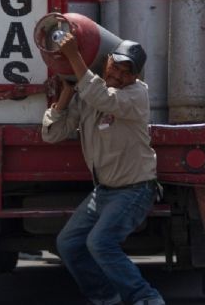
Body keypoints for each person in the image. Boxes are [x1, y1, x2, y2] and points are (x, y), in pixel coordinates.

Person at [41, 34, 165, 305]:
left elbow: (103, 98)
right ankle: (106, 297)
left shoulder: (136, 94)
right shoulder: (89, 94)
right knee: (68, 244)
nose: (119, 75)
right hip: (105, 191)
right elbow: (52, 134)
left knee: (100, 243)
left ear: (136, 76)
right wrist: (65, 94)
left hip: (135, 189)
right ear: (107, 61)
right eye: (116, 66)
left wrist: (73, 56)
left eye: (126, 72)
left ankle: (146, 297)